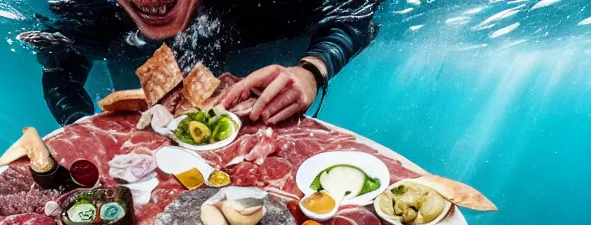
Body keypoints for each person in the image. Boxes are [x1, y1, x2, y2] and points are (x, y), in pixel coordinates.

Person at [22, 0, 383, 126]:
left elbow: (355, 14)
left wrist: (310, 71)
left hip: (256, 54)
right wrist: (86, 129)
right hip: (132, 67)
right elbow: (60, 68)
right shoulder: (88, 9)